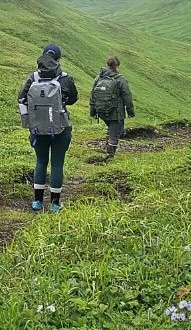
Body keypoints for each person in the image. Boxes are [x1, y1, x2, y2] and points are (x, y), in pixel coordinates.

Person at [17, 43, 78, 212]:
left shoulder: (33, 78)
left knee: (41, 162)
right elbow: (73, 99)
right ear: (58, 60)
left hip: (37, 128)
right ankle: (55, 204)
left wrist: (29, 122)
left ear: (43, 57)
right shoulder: (65, 78)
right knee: (57, 164)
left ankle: (37, 202)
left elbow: (22, 99)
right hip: (61, 127)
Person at [90, 55, 134, 158]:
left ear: (107, 65)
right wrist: (130, 111)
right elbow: (127, 96)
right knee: (117, 131)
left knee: (112, 129)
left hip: (101, 111)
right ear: (117, 66)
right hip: (116, 112)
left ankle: (108, 144)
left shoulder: (99, 78)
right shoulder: (120, 79)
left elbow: (93, 94)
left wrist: (93, 111)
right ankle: (109, 155)